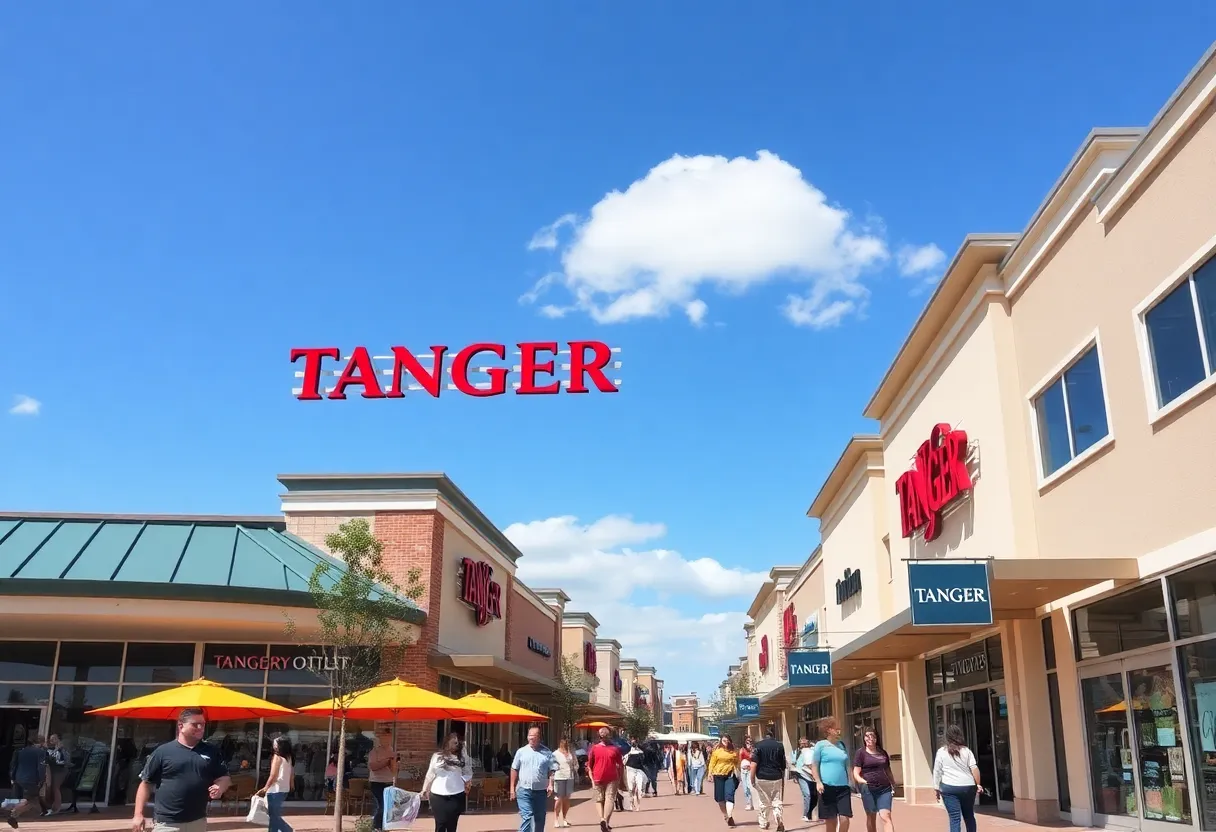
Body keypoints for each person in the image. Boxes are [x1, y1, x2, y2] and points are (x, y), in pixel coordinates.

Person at [132, 708, 232, 832]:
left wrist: (220, 787)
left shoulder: (211, 751)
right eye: (195, 724)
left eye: (203, 724)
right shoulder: (163, 752)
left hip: (198, 821)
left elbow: (224, 778)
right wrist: (138, 814)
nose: (200, 727)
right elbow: (145, 784)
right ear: (180, 726)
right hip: (167, 823)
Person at [933, 725, 984, 832]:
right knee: (969, 815)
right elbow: (974, 768)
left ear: (947, 737)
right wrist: (978, 784)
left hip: (949, 787)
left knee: (955, 818)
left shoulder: (941, 751)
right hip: (968, 787)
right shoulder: (967, 751)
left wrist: (936, 787)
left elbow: (937, 771)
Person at [422, 733, 473, 832]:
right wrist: (424, 789)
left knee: (452, 825)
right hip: (437, 795)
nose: (456, 744)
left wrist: (467, 783)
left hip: (456, 795)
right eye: (454, 742)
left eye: (457, 742)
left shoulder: (462, 758)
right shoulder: (436, 756)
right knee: (440, 823)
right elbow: (430, 774)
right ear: (447, 743)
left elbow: (468, 774)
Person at [510, 727, 556, 832]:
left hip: (540, 791)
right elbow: (514, 769)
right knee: (527, 816)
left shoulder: (547, 752)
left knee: (540, 818)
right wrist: (512, 789)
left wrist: (551, 784)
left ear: (539, 737)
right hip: (523, 790)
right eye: (529, 737)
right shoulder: (521, 752)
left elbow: (552, 770)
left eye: (533, 738)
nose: (531, 740)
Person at [810, 717, 852, 832]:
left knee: (844, 818)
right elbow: (814, 765)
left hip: (843, 788)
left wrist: (851, 781)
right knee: (831, 821)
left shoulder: (841, 745)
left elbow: (846, 764)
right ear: (828, 730)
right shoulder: (821, 745)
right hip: (827, 787)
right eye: (836, 729)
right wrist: (818, 782)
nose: (839, 731)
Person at [853, 729, 895, 832]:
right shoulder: (860, 753)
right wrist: (862, 781)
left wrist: (893, 783)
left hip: (884, 788)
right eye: (867, 736)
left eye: (872, 736)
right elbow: (856, 772)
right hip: (868, 789)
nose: (870, 738)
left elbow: (887, 769)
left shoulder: (882, 752)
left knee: (886, 816)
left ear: (876, 738)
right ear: (864, 738)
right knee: (871, 817)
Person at [5, 733, 49, 829]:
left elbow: (13, 765)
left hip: (19, 777)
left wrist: (13, 777)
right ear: (39, 742)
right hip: (31, 779)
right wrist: (41, 780)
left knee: (26, 799)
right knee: (31, 801)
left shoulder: (20, 751)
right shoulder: (40, 752)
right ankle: (13, 814)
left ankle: (14, 814)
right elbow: (41, 767)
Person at [586, 727, 624, 832]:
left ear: (599, 737)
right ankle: (605, 821)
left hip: (597, 776)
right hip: (612, 777)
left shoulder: (594, 748)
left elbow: (590, 765)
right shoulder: (615, 749)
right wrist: (620, 778)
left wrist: (592, 778)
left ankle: (603, 819)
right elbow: (620, 765)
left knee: (599, 800)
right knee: (609, 799)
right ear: (609, 736)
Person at [750, 727, 787, 832]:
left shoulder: (758, 746)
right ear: (774, 735)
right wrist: (782, 778)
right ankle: (778, 817)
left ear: (764, 736)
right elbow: (783, 764)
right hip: (776, 776)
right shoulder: (779, 746)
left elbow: (753, 764)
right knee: (777, 800)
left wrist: (752, 779)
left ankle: (763, 823)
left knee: (763, 801)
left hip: (762, 777)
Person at [255, 735, 295, 832]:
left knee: (273, 816)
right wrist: (292, 785)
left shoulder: (277, 757)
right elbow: (292, 774)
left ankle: (287, 830)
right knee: (274, 815)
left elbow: (273, 775)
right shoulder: (289, 757)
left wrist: (265, 788)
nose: (274, 746)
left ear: (279, 746)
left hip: (275, 789)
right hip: (284, 789)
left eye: (275, 744)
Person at [367, 729, 398, 832]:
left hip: (388, 782)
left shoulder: (392, 751)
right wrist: (386, 761)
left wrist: (394, 763)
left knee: (388, 806)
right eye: (384, 737)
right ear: (380, 739)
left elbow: (394, 770)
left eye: (389, 737)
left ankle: (383, 826)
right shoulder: (374, 752)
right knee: (381, 805)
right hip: (377, 782)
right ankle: (376, 827)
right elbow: (373, 766)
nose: (387, 740)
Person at [707, 735, 741, 827]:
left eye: (727, 740)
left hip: (730, 776)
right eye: (723, 740)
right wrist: (709, 773)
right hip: (718, 776)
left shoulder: (734, 752)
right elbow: (712, 763)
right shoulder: (717, 752)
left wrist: (739, 773)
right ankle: (726, 815)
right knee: (720, 799)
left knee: (729, 795)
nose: (725, 742)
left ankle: (730, 816)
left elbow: (737, 763)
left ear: (730, 741)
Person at [791, 737, 818, 822]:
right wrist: (794, 776)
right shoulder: (796, 752)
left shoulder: (812, 750)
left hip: (812, 776)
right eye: (802, 743)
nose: (803, 744)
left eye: (805, 743)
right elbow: (793, 765)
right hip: (801, 774)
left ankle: (810, 814)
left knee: (814, 795)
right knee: (807, 794)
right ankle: (805, 815)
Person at [551, 738, 577, 828]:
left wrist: (574, 767)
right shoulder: (555, 754)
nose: (565, 745)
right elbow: (552, 768)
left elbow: (575, 764)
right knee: (559, 799)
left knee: (567, 799)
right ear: (560, 744)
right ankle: (556, 818)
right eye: (564, 743)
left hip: (569, 777)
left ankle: (564, 818)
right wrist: (551, 781)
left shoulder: (570, 753)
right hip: (559, 777)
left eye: (567, 743)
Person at [44, 734, 67, 816]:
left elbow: (65, 760)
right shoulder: (49, 749)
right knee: (49, 787)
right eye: (50, 739)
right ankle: (50, 806)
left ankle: (57, 807)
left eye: (54, 739)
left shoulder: (62, 749)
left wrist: (57, 761)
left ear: (58, 739)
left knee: (56, 787)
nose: (52, 740)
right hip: (51, 770)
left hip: (60, 770)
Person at [623, 739, 646, 810]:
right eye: (632, 742)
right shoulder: (629, 753)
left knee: (636, 789)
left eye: (634, 742)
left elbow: (623, 762)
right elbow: (624, 762)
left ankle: (637, 805)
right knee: (632, 789)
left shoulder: (639, 752)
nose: (633, 744)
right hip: (630, 771)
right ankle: (632, 804)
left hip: (637, 772)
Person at [738, 737, 754, 811]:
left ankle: (752, 802)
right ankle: (748, 803)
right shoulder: (742, 750)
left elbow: (755, 760)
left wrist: (750, 766)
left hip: (750, 770)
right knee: (745, 788)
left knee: (750, 786)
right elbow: (739, 760)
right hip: (743, 770)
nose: (749, 744)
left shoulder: (753, 751)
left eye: (750, 742)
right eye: (747, 742)